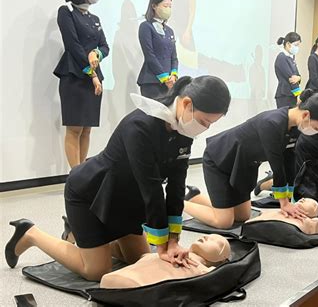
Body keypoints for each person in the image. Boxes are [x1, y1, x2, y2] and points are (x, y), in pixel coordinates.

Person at [5, 76, 231, 281]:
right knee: (97, 270)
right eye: (203, 122)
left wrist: (173, 239)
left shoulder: (183, 131)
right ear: (186, 104)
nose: (204, 129)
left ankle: (80, 235)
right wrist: (162, 245)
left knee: (141, 260)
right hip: (91, 193)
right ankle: (31, 234)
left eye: (210, 124)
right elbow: (151, 188)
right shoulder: (140, 126)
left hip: (127, 199)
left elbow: (176, 187)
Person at [184, 90, 318, 229]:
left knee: (242, 216)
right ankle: (178, 203)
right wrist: (284, 203)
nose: (317, 131)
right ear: (306, 115)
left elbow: (289, 160)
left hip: (243, 164)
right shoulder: (272, 123)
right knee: (224, 222)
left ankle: (194, 197)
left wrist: (289, 197)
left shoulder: (295, 127)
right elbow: (277, 165)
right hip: (219, 159)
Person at [53, 0, 109, 168]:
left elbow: (104, 46)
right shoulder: (66, 11)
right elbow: (73, 46)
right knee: (75, 128)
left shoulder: (95, 18)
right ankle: (75, 175)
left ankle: (82, 173)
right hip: (75, 76)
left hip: (94, 79)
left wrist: (97, 53)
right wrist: (92, 74)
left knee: (86, 129)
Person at [100, 234, 231, 289]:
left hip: (140, 288)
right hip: (122, 280)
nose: (206, 236)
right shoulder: (170, 252)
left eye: (217, 242)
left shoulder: (204, 270)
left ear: (222, 260)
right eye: (209, 236)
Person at [137, 0, 178, 98]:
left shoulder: (170, 31)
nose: (168, 9)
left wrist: (173, 75)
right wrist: (164, 78)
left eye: (170, 6)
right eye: (165, 6)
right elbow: (149, 55)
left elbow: (174, 57)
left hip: (169, 84)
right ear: (154, 6)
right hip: (152, 82)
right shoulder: (146, 26)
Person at [246, 198, 318, 235]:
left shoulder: (309, 221)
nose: (303, 199)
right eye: (303, 198)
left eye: (309, 201)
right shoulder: (281, 210)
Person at [274, 32, 302, 108]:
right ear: (288, 44)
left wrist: (299, 78)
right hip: (284, 95)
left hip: (291, 94)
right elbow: (291, 78)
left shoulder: (290, 58)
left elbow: (298, 76)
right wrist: (299, 95)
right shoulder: (282, 57)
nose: (297, 48)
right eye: (296, 45)